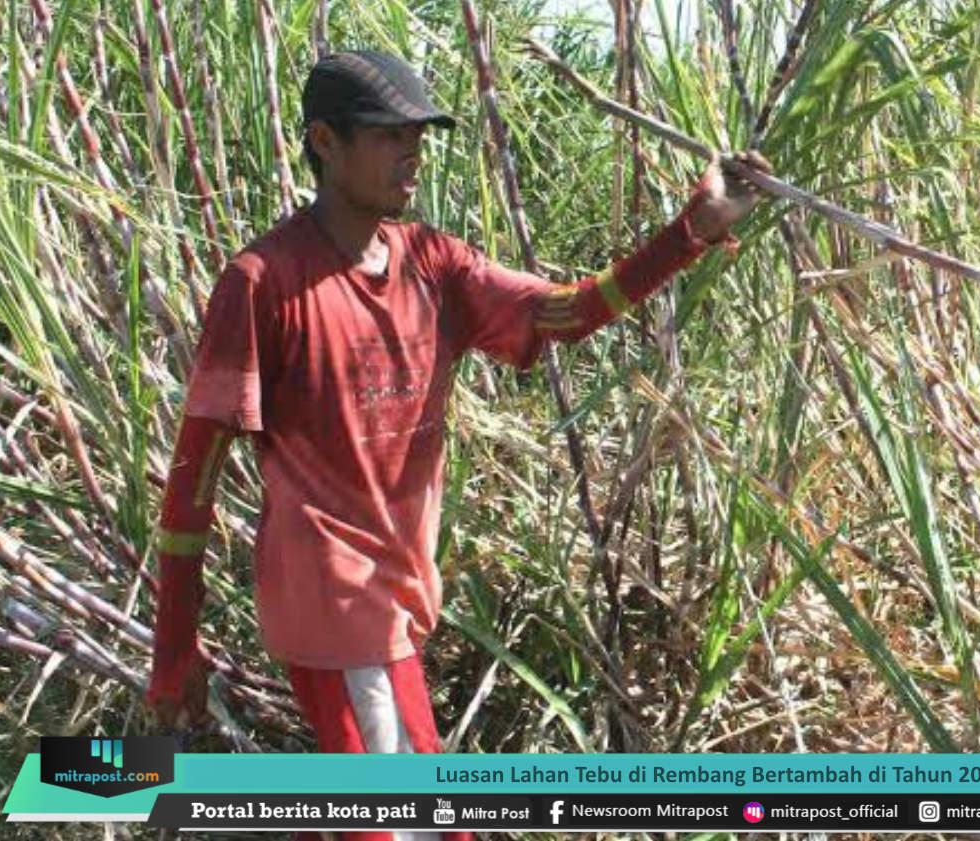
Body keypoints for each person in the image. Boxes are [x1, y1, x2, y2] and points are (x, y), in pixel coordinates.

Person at [145, 49, 772, 841]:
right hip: (329, 596)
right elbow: (195, 472)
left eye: (418, 133)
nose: (411, 150)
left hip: (399, 598)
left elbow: (567, 312)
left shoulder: (433, 266)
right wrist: (175, 641)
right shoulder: (264, 281)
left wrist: (692, 230)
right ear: (325, 142)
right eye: (387, 134)